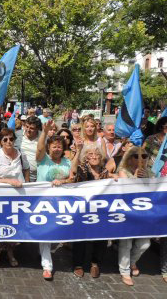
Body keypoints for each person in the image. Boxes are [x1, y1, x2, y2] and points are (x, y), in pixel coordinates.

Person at [62, 144, 111, 278]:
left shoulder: (105, 172)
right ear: (86, 157)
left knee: (102, 237)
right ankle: (78, 264)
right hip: (83, 209)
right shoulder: (82, 169)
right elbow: (72, 171)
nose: (94, 156)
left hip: (100, 210)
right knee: (80, 236)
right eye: (90, 154)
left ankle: (95, 263)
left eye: (97, 154)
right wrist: (78, 150)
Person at [36, 120, 72, 280]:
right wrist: (44, 132)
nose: (57, 149)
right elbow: (38, 149)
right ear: (49, 147)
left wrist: (62, 182)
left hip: (61, 202)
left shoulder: (67, 161)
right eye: (54, 146)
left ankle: (43, 251)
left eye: (60, 146)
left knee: (52, 234)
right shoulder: (43, 159)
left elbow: (72, 179)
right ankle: (47, 266)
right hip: (43, 201)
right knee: (46, 233)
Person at [0, 128, 29, 268]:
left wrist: (29, 186)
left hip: (19, 198)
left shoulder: (21, 154)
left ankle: (11, 253)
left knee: (15, 227)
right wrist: (9, 182)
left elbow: (26, 170)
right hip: (1, 198)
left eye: (11, 139)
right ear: (0, 142)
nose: (9, 142)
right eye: (5, 139)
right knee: (1, 226)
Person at [117, 146, 152, 286]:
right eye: (137, 156)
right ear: (130, 158)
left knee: (145, 243)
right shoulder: (123, 171)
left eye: (144, 156)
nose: (141, 159)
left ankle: (132, 262)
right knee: (126, 243)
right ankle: (124, 270)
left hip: (143, 214)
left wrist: (146, 179)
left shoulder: (149, 172)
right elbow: (127, 190)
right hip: (127, 212)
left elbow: (154, 190)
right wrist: (136, 178)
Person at [16, 116, 41, 182]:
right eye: (26, 126)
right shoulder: (17, 135)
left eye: (32, 128)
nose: (28, 130)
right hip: (20, 174)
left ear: (37, 129)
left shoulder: (43, 138)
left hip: (37, 176)